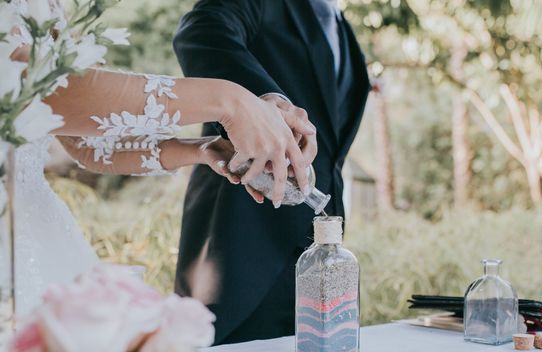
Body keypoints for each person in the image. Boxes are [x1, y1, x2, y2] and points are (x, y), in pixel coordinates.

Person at [8, 0, 317, 316]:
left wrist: (199, 148)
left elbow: (87, 143)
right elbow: (43, 93)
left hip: (38, 231)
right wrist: (230, 101)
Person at [173, 0, 371, 344]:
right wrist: (261, 102)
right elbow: (201, 31)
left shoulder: (341, 26)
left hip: (318, 257)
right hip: (240, 244)